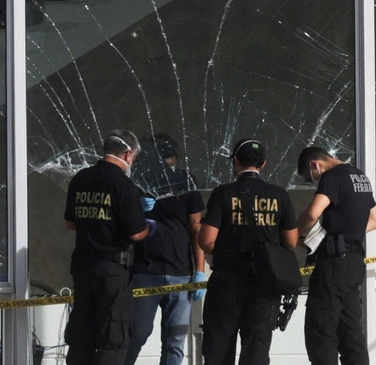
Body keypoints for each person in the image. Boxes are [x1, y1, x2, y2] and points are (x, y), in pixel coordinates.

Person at [199, 138, 298, 365]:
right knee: (256, 352)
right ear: (263, 164)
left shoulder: (222, 194)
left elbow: (206, 241)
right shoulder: (279, 195)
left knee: (219, 350)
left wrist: (226, 251)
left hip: (227, 281)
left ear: (235, 161)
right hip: (265, 284)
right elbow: (291, 241)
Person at [64, 130, 152, 365]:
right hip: (113, 272)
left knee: (82, 336)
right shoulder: (123, 184)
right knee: (113, 339)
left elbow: (70, 222)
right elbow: (136, 233)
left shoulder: (80, 178)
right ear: (127, 154)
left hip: (83, 268)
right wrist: (150, 227)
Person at [123, 134, 207, 365]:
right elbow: (124, 223)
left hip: (180, 271)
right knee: (136, 336)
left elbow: (196, 227)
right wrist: (137, 207)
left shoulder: (185, 180)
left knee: (174, 342)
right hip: (145, 271)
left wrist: (199, 269)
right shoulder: (138, 182)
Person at [295, 147, 376, 365]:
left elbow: (313, 213)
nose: (311, 181)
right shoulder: (360, 176)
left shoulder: (332, 177)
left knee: (321, 332)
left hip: (333, 265)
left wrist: (292, 235)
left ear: (314, 164)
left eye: (308, 177)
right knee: (351, 333)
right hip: (353, 264)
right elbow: (375, 221)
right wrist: (343, 234)